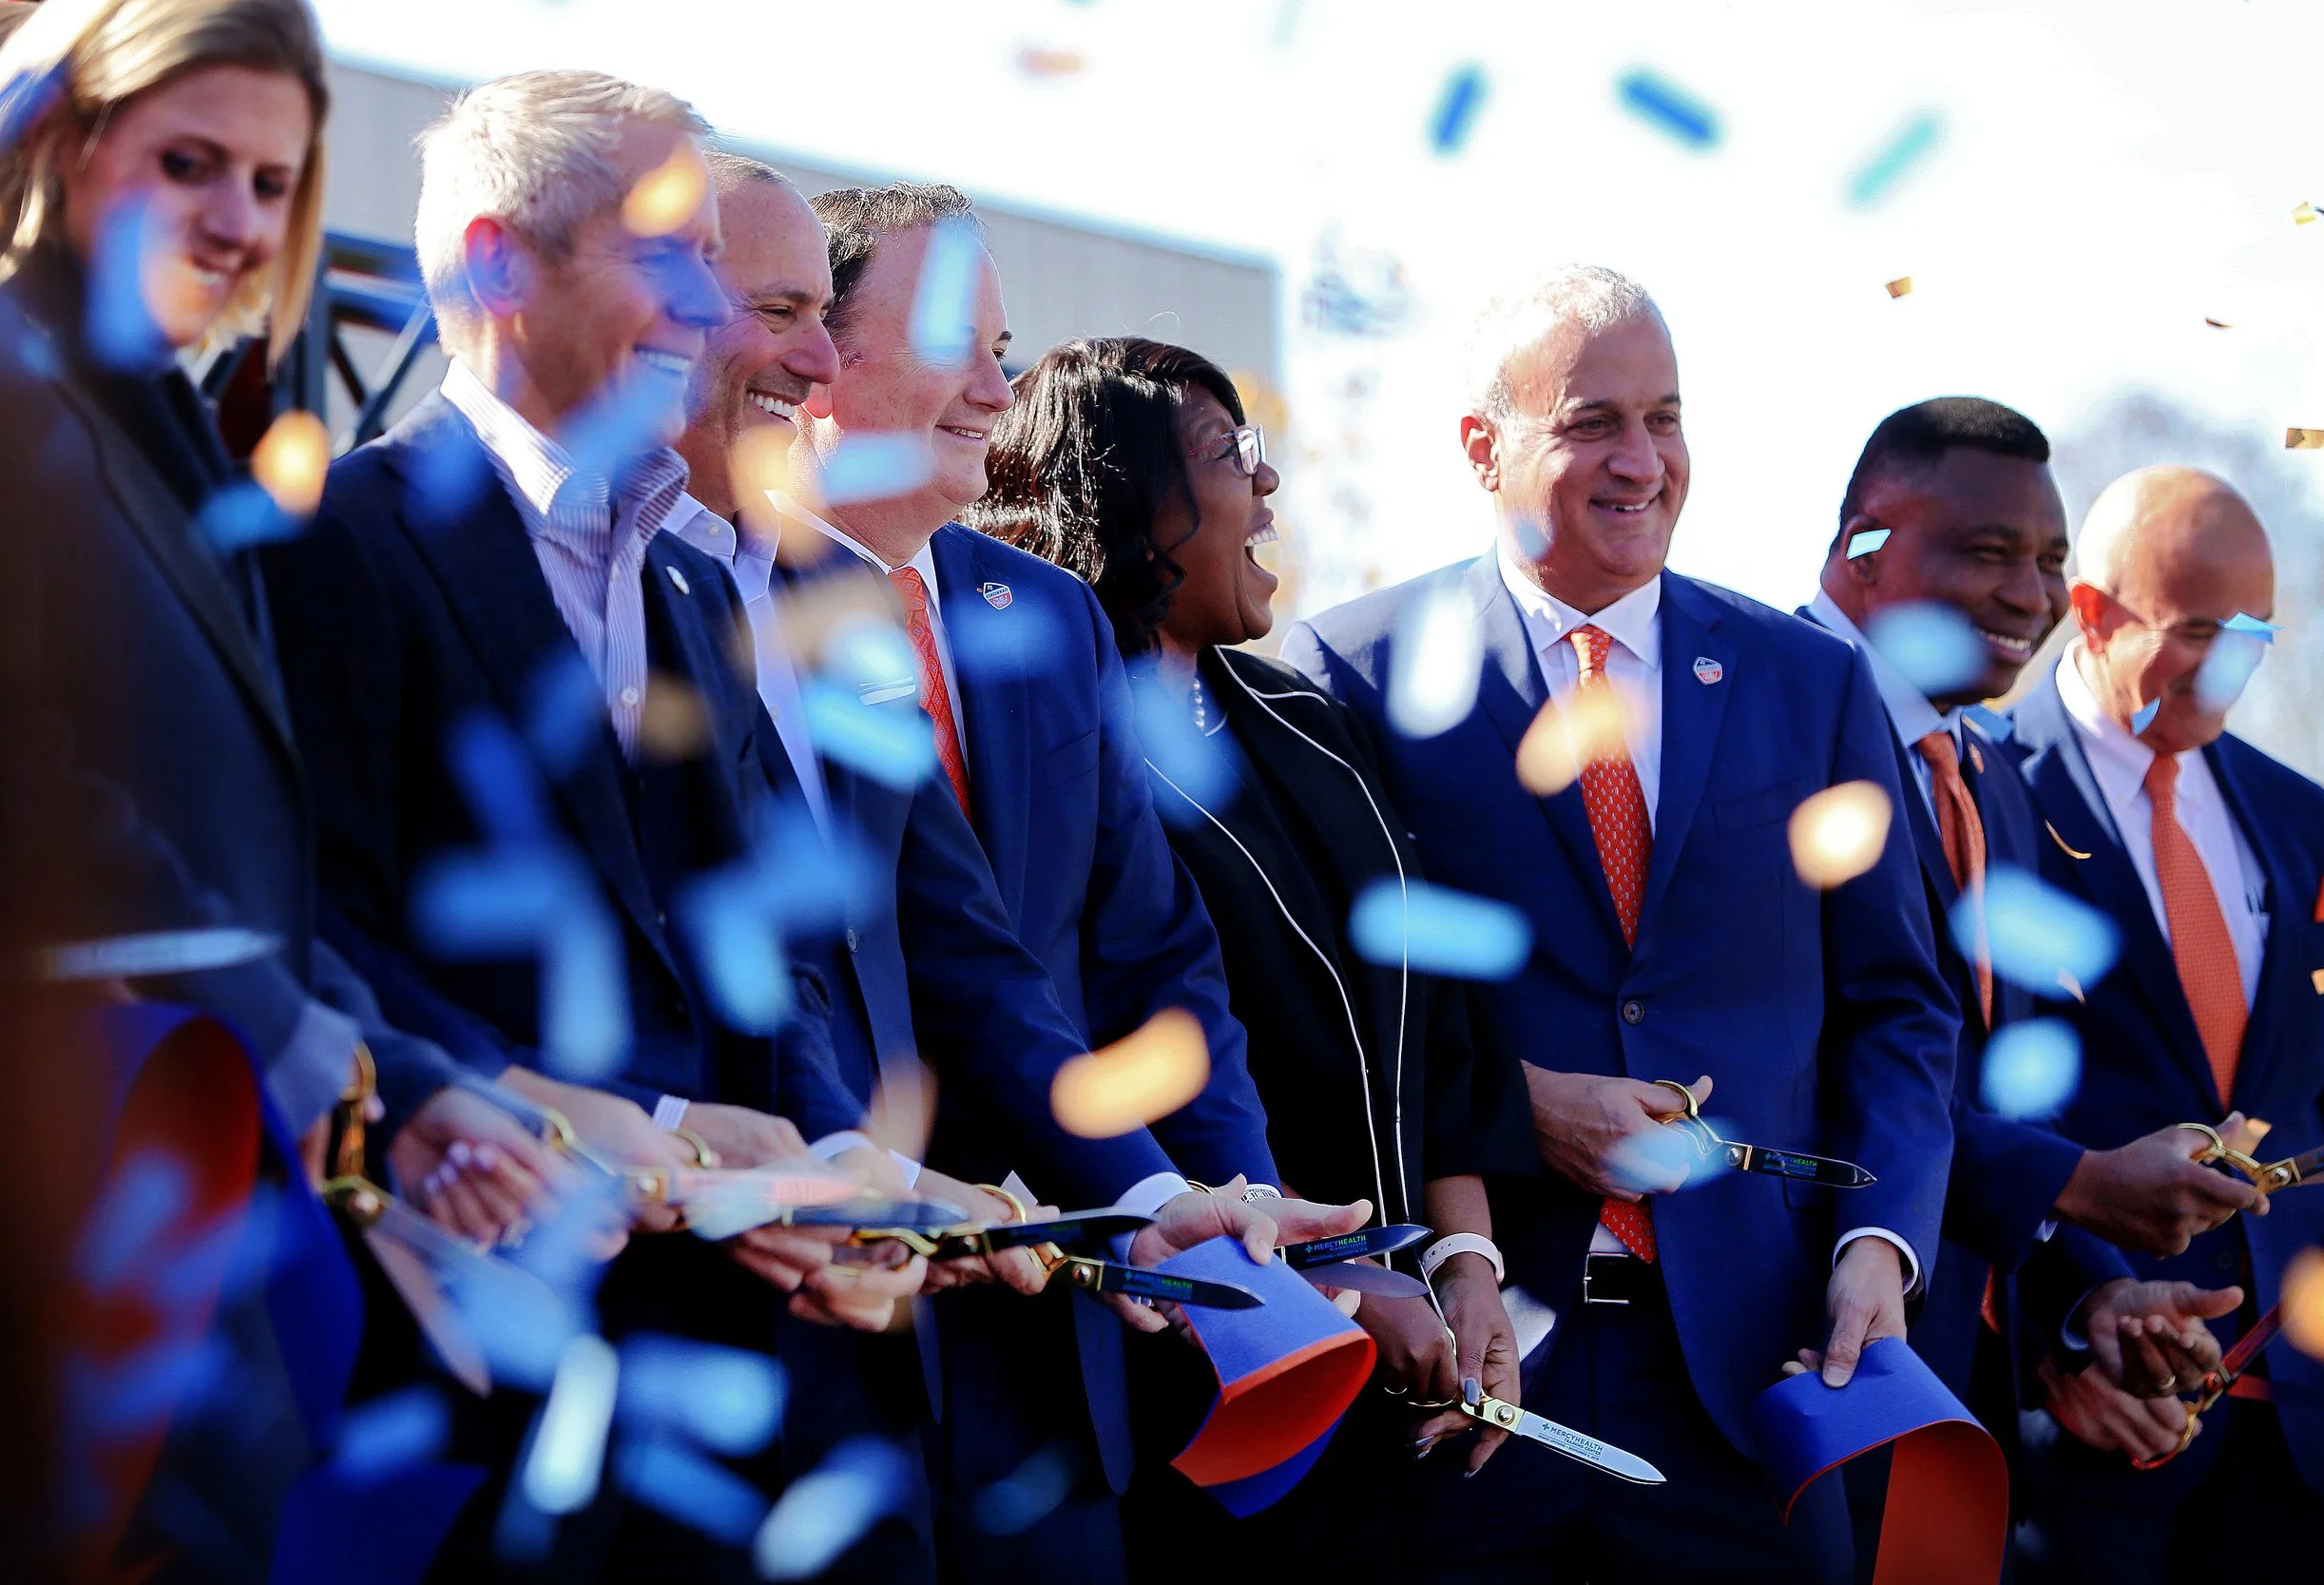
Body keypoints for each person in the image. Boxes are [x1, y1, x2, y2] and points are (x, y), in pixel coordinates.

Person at [256, 71, 928, 1581]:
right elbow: (320, 923)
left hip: (728, 1393)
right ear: (497, 265)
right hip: (477, 1378)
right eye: (667, 256)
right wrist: (671, 1136)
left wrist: (837, 1161)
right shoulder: (332, 544)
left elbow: (759, 944)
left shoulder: (690, 583)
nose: (712, 310)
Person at [663, 155, 1340, 1583]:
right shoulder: (703, 591)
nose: (992, 387)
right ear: (817, 354)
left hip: (1060, 1323)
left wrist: (1218, 1202)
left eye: (1003, 353)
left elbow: (1143, 955)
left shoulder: (1040, 615)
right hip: (815, 1318)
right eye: (947, 346)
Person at [0, 0, 574, 1573]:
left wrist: (404, 1074)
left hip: (201, 1225)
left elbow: (237, 863)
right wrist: (281, 1028)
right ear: (59, 137)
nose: (239, 221)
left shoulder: (178, 435)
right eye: (191, 164)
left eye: (272, 182)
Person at [1283, 265, 1961, 1583]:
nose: (1643, 460)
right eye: (1594, 420)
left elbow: (1899, 1003)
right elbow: (1336, 1012)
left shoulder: (1811, 682)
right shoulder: (1343, 675)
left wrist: (1884, 1243)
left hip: (1754, 1373)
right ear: (1483, 444)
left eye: (1667, 416)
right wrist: (1518, 1104)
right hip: (1471, 1369)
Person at [970, 334, 1538, 1577]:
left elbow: (1431, 1018)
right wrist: (1325, 1269)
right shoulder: (1042, 738)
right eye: (1228, 453)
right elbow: (1095, 1042)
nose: (1266, 484)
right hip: (1189, 1356)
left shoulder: (1305, 718)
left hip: (1404, 1352)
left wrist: (1462, 1257)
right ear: (1120, 495)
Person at [1804, 399, 2263, 1546]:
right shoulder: (1759, 723)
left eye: (2050, 559)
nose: (2033, 595)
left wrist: (2094, 1293)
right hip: (1792, 1363)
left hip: (1959, 1394)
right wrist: (2080, 1181)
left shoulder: (1981, 774)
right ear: (1863, 545)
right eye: (1990, 552)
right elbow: (1810, 1057)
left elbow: (1993, 1082)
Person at [2007, 465, 2324, 1582]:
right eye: (2196, 629)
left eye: (2252, 632)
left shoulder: (2299, 814)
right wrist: (2055, 1330)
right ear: (2091, 610)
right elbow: (1945, 1105)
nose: (2229, 667)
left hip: (2301, 1443)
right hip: (2084, 1441)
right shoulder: (1975, 789)